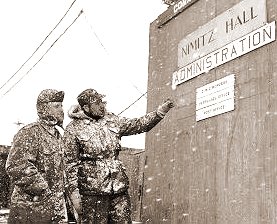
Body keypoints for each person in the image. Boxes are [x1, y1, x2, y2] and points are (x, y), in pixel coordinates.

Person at [63, 88, 174, 223]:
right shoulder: (73, 129)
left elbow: (138, 124)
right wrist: (74, 194)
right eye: (97, 103)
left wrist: (160, 112)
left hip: (118, 188)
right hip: (92, 193)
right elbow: (70, 164)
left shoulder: (111, 120)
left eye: (102, 102)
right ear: (86, 107)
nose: (101, 106)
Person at [6, 89, 68, 224]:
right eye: (56, 106)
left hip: (55, 209)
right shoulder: (30, 132)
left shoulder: (58, 136)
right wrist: (45, 191)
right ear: (44, 109)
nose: (61, 110)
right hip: (31, 209)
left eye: (61, 106)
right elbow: (16, 166)